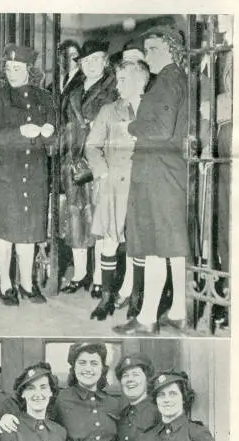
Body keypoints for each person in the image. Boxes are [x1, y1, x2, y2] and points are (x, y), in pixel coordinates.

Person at [113, 26, 189, 335]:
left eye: (153, 49)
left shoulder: (168, 82)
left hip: (158, 171)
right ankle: (179, 311)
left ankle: (147, 319)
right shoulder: (176, 80)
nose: (147, 56)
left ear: (170, 49)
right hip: (168, 170)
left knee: (158, 247)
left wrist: (129, 128)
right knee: (172, 246)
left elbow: (159, 131)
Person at [0, 43, 55, 306]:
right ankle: (6, 284)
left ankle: (27, 284)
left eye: (17, 67)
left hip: (34, 173)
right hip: (5, 174)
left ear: (29, 70)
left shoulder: (45, 97)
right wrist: (21, 131)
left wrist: (48, 132)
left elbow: (57, 134)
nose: (11, 72)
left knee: (29, 232)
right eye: (8, 67)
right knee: (4, 232)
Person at [85, 60, 151, 320]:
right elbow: (92, 146)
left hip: (143, 186)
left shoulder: (152, 110)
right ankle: (106, 300)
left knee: (140, 243)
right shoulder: (108, 110)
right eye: (118, 79)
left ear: (141, 82)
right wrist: (101, 171)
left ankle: (137, 299)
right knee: (109, 242)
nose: (119, 85)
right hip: (113, 186)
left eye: (124, 80)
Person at [59, 40, 118, 295]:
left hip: (99, 160)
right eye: (86, 61)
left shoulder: (113, 87)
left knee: (99, 219)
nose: (91, 65)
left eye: (97, 59)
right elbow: (63, 123)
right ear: (80, 65)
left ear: (105, 62)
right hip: (73, 161)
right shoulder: (72, 91)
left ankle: (98, 277)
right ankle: (80, 273)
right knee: (75, 218)